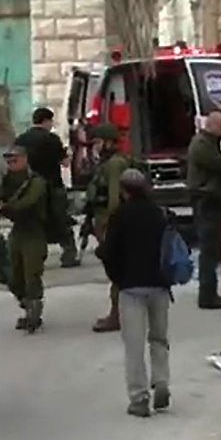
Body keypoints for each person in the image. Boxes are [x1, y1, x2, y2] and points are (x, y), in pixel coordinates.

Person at [98, 169, 170, 418]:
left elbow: (109, 252)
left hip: (131, 287)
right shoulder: (158, 213)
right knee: (159, 338)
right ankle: (161, 382)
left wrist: (118, 279)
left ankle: (139, 398)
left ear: (125, 190)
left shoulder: (120, 215)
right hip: (160, 285)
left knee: (134, 345)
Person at [15, 107, 80, 268]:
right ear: (46, 121)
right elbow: (64, 163)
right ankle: (68, 255)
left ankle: (32, 258)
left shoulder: (21, 140)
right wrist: (70, 154)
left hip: (29, 188)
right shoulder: (52, 139)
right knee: (61, 220)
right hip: (53, 185)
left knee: (33, 223)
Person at [0, 145, 48, 333]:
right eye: (9, 161)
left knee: (31, 274)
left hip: (34, 231)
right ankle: (27, 305)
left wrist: (7, 206)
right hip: (18, 230)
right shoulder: (8, 181)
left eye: (15, 160)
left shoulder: (36, 182)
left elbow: (27, 203)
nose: (11, 164)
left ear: (25, 159)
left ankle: (34, 313)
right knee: (11, 273)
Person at [87, 124, 131, 333]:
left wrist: (109, 227)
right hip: (103, 220)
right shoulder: (107, 163)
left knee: (117, 271)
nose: (95, 147)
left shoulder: (115, 164)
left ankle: (117, 315)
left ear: (108, 142)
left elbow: (114, 198)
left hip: (110, 223)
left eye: (97, 142)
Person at [187, 110, 221, 310]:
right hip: (206, 201)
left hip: (210, 199)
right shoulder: (202, 144)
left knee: (211, 250)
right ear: (212, 126)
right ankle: (207, 294)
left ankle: (209, 292)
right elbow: (219, 165)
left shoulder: (207, 142)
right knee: (209, 250)